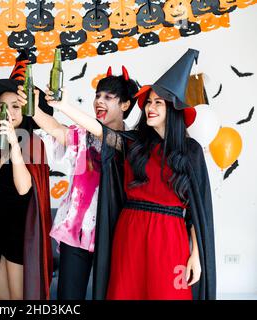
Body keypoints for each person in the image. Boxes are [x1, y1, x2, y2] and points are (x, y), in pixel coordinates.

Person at [45, 49, 216, 300]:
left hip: (170, 238)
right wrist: (63, 106)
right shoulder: (134, 144)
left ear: (174, 109)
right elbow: (99, 130)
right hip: (131, 233)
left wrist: (197, 256)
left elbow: (197, 210)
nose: (150, 107)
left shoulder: (191, 152)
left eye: (159, 102)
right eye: (148, 101)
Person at [16, 66, 138, 299]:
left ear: (125, 105)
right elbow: (55, 128)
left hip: (113, 233)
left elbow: (109, 138)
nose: (99, 101)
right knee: (68, 298)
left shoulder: (133, 142)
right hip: (76, 232)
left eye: (108, 97)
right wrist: (31, 109)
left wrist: (63, 105)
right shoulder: (83, 135)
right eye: (97, 96)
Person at [0, 54, 54, 300]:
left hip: (23, 235)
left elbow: (23, 190)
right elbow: (4, 197)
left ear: (27, 110)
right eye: (3, 107)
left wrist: (14, 143)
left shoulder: (34, 143)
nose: (8, 112)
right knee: (0, 297)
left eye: (15, 106)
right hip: (3, 229)